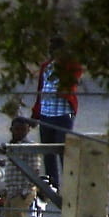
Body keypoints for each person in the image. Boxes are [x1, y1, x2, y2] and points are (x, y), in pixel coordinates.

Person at [35, 44, 81, 190]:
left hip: (62, 113)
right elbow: (40, 89)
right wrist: (35, 113)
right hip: (46, 113)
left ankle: (71, 186)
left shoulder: (72, 66)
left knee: (64, 151)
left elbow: (72, 83)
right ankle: (53, 186)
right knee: (48, 152)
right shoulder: (46, 66)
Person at [0, 116, 41, 217]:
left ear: (28, 130)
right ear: (11, 129)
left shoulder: (29, 147)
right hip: (12, 192)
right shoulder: (11, 146)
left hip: (22, 192)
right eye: (17, 129)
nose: (20, 132)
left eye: (23, 129)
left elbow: (34, 172)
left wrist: (25, 191)